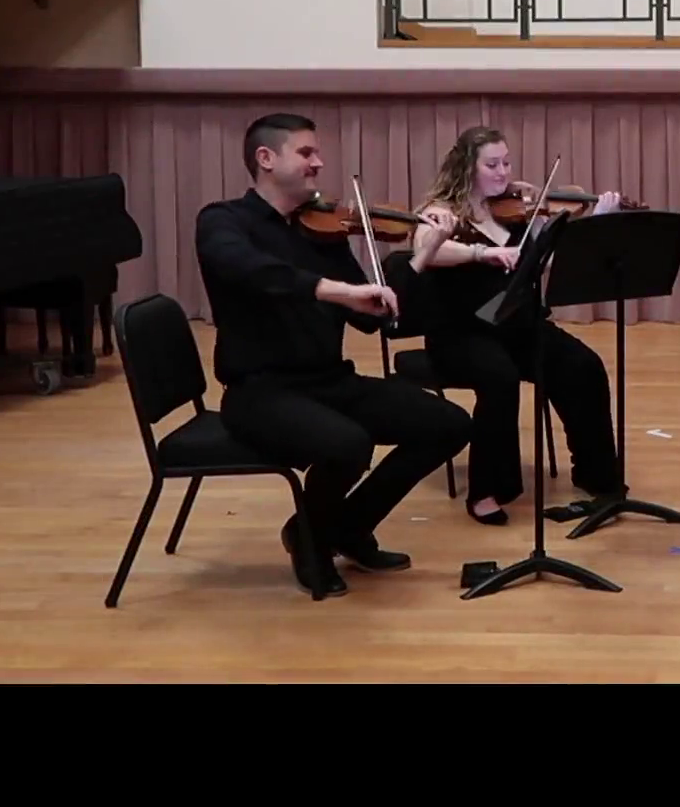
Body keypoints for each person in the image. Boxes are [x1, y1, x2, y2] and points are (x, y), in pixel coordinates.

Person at [194, 112, 473, 599]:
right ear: (266, 159)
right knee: (348, 444)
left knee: (448, 424)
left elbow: (373, 317)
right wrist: (332, 289)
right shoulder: (223, 222)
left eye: (317, 153)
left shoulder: (321, 231)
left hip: (328, 381)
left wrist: (423, 255)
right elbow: (253, 271)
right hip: (259, 391)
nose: (318, 163)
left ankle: (342, 524)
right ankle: (311, 541)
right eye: (306, 153)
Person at [404, 125, 627, 525]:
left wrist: (595, 222)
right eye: (492, 164)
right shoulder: (441, 211)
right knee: (499, 378)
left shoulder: (515, 209)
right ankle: (488, 489)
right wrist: (481, 253)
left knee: (583, 365)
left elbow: (547, 264)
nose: (503, 172)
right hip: (461, 333)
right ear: (466, 167)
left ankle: (596, 473)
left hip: (516, 325)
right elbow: (426, 248)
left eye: (506, 162)